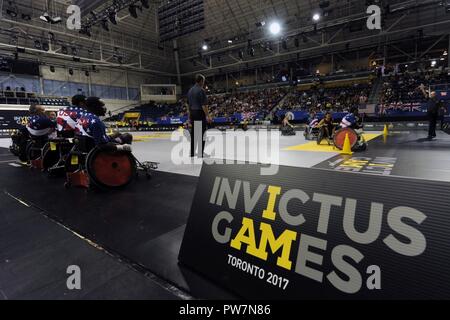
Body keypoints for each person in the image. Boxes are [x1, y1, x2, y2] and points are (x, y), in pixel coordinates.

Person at [187, 74, 211, 157]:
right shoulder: (201, 90)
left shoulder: (190, 91)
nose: (203, 83)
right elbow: (204, 105)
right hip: (199, 114)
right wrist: (208, 116)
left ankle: (192, 153)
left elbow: (188, 106)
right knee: (202, 134)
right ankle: (200, 153)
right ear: (201, 81)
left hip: (193, 113)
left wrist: (189, 118)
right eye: (203, 81)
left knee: (194, 134)